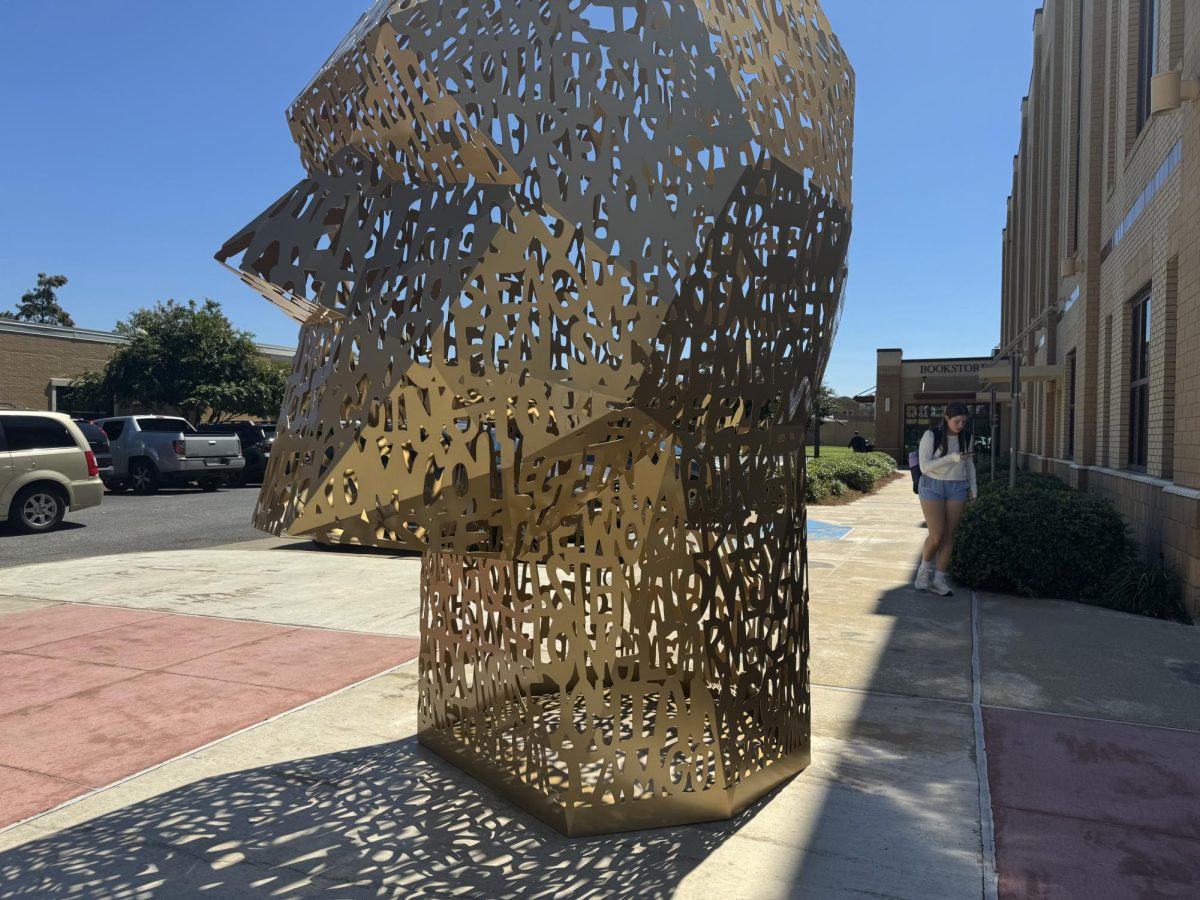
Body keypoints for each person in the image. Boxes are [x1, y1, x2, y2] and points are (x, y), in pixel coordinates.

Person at [914, 400, 977, 596]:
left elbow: (969, 465)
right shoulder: (931, 435)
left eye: (964, 422)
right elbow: (924, 467)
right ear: (947, 418)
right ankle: (924, 572)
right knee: (936, 535)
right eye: (957, 421)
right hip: (932, 485)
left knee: (949, 536)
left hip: (957, 486)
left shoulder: (966, 437)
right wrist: (951, 457)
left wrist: (974, 487)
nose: (961, 426)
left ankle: (939, 580)